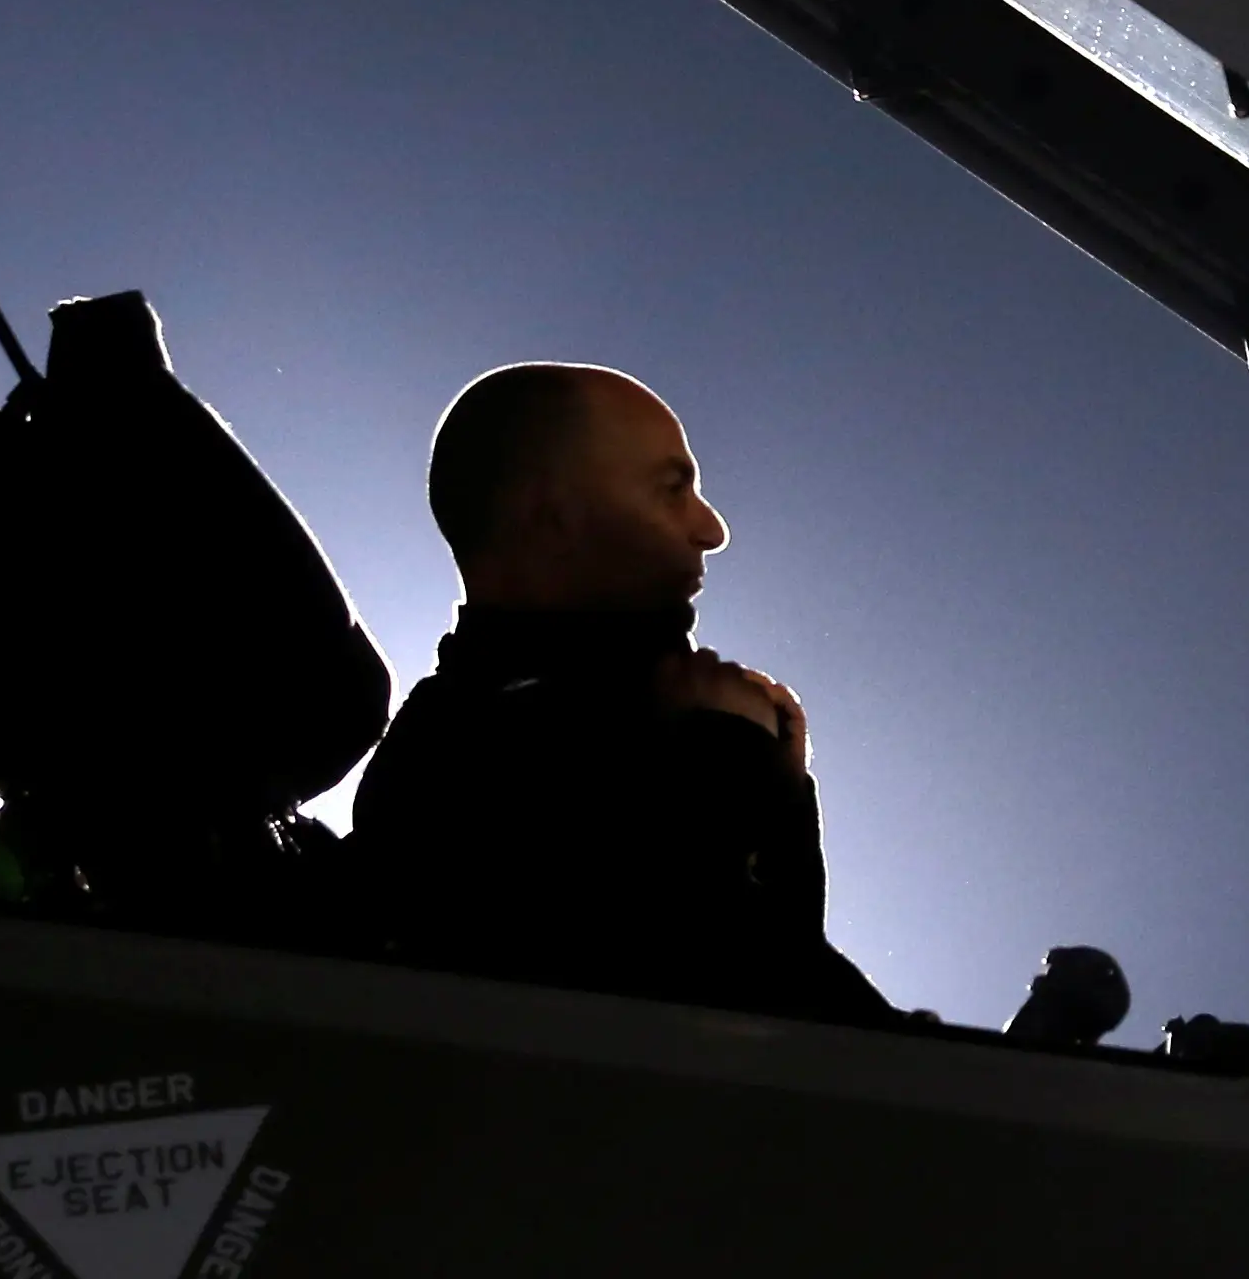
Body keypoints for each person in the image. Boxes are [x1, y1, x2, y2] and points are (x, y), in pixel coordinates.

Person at [348, 364, 901, 1025]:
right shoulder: (452, 776)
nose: (711, 528)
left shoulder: (604, 716)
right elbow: (724, 1022)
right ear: (551, 519)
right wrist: (734, 767)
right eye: (673, 489)